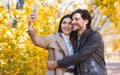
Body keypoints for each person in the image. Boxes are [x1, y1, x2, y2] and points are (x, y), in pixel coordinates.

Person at [47, 9, 107, 75]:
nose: (73, 22)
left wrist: (57, 63)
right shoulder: (74, 39)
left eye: (76, 19)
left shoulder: (94, 36)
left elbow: (81, 55)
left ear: (86, 21)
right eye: (72, 19)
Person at [28, 10, 74, 75]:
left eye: (70, 23)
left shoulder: (77, 40)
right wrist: (30, 25)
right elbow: (37, 40)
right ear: (61, 24)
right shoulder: (54, 37)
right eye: (64, 23)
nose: (66, 25)